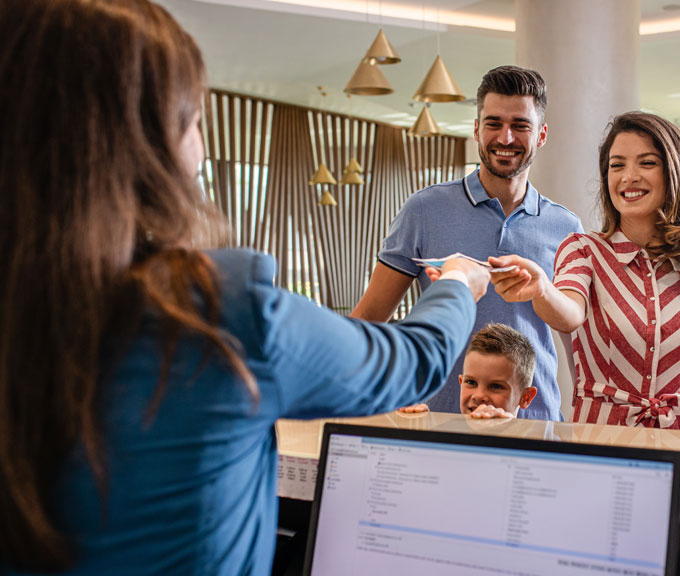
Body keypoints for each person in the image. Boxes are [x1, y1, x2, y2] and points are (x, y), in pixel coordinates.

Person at [0, 1, 490, 573]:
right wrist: (457, 282)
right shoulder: (219, 310)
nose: (201, 146)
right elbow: (413, 360)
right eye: (193, 119)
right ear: (151, 142)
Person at [489, 111, 680, 430]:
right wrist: (542, 289)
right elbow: (569, 314)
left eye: (647, 163)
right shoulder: (584, 250)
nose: (629, 176)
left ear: (676, 172)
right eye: (617, 165)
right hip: (601, 449)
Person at [350, 66, 583, 421]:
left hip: (535, 422)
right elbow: (369, 317)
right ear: (476, 129)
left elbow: (576, 337)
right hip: (437, 418)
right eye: (493, 123)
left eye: (520, 125)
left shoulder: (566, 226)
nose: (505, 137)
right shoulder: (425, 210)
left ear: (541, 135)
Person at [400, 323, 538, 419]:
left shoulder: (534, 451)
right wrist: (418, 433)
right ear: (461, 382)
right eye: (471, 382)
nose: (478, 396)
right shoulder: (448, 441)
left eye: (495, 386)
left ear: (525, 398)